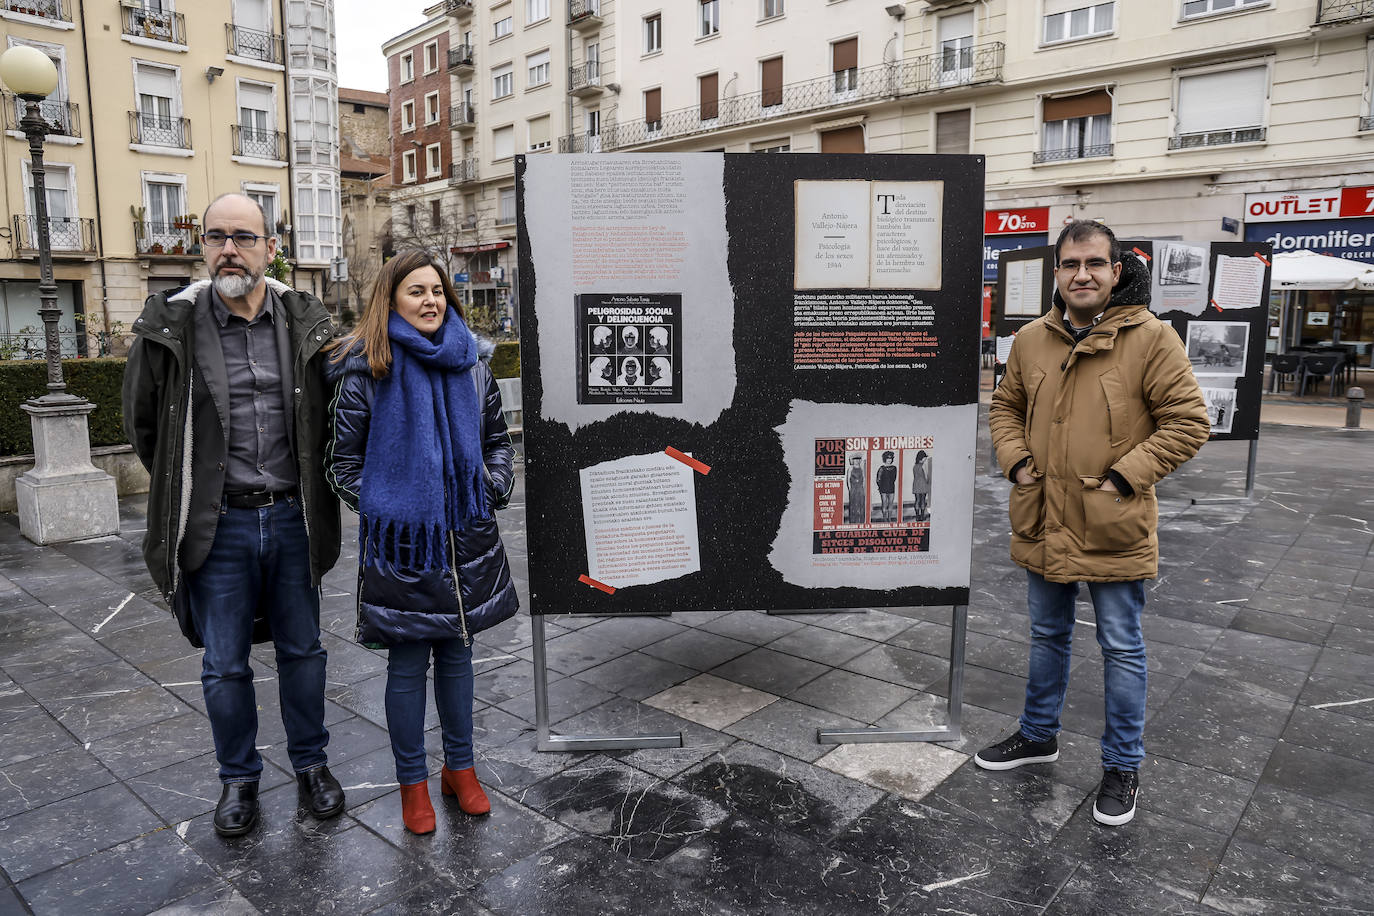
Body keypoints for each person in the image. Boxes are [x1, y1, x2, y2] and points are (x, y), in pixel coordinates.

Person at [122, 193, 343, 838]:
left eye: (243, 237)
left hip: (294, 518)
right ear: (202, 247)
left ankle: (311, 766)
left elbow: (331, 416)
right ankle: (238, 779)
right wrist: (189, 491)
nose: (228, 248)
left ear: (270, 248)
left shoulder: (304, 321)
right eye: (216, 236)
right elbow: (146, 430)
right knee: (223, 663)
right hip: (217, 526)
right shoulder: (172, 329)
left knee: (304, 651)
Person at [979, 220, 1208, 827]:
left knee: (1122, 646)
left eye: (1094, 263)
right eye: (1070, 264)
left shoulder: (1152, 338)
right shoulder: (1030, 340)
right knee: (1046, 636)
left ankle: (1122, 765)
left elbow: (1187, 423)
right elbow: (1005, 406)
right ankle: (1037, 735)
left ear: (1115, 271)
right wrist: (1017, 462)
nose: (1082, 274)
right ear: (1057, 273)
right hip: (1044, 515)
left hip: (1111, 521)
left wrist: (1122, 478)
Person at [324, 249, 518, 836]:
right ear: (392, 299)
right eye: (416, 291)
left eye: (437, 290)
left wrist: (491, 487)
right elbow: (342, 464)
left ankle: (461, 770)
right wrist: (396, 509)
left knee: (458, 658)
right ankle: (412, 783)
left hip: (466, 538)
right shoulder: (366, 369)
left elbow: (498, 442)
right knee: (408, 666)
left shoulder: (474, 365)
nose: (431, 300)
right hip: (404, 547)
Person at [875, 451, 898, 523]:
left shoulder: (894, 468)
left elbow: (894, 478)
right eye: (888, 458)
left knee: (891, 504)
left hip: (891, 488)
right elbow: (878, 479)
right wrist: (880, 488)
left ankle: (889, 518)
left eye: (890, 458)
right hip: (883, 489)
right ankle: (885, 519)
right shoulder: (881, 468)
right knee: (884, 504)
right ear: (885, 459)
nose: (889, 460)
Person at [910, 450, 931, 522]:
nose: (925, 459)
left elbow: (915, 475)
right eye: (924, 458)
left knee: (917, 500)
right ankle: (922, 516)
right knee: (922, 500)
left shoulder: (915, 466)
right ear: (921, 458)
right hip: (923, 484)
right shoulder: (924, 466)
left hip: (916, 484)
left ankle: (917, 516)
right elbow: (926, 476)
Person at [846, 454, 865, 525]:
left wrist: (862, 488)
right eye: (855, 459)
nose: (856, 461)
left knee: (861, 504)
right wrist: (850, 489)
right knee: (853, 504)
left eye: (858, 459)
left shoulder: (862, 469)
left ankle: (861, 521)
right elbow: (848, 480)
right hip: (853, 488)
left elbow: (864, 479)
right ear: (852, 461)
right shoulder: (850, 469)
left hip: (860, 488)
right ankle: (853, 521)